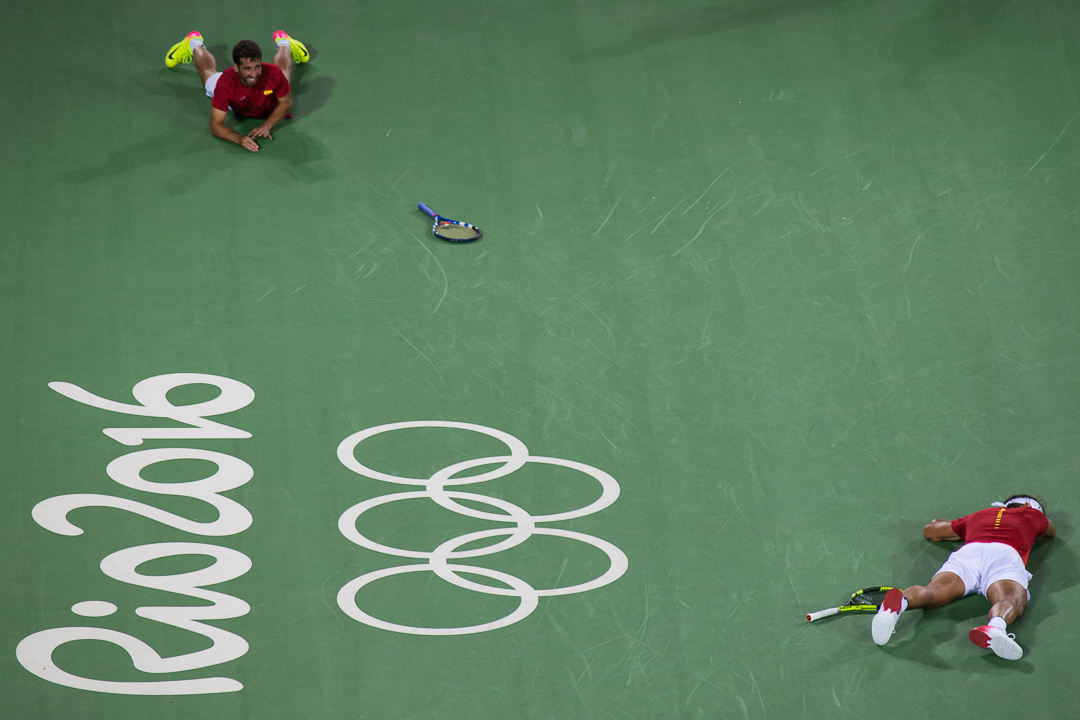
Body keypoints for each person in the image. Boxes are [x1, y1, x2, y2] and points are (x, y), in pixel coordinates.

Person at [872, 494, 1056, 660]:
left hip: (969, 553)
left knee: (932, 594)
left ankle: (897, 605)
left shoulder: (980, 515)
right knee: (1010, 600)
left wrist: (961, 526)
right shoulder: (1034, 516)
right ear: (1029, 506)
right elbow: (1050, 532)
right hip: (1004, 556)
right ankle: (996, 628)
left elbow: (931, 530)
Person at [165, 31, 310, 152]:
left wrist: (267, 125)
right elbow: (215, 125)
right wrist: (238, 138)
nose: (254, 74)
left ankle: (284, 42)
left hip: (268, 99)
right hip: (235, 101)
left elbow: (286, 102)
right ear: (236, 67)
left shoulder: (271, 73)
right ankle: (194, 41)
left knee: (283, 73)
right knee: (207, 75)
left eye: (257, 67)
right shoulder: (225, 83)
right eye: (247, 68)